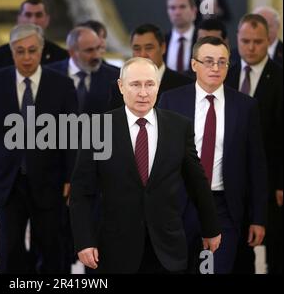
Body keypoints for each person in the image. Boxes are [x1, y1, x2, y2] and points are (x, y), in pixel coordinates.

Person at [69, 57, 221, 274]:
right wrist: (84, 241)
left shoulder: (179, 127)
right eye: (135, 84)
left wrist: (211, 228)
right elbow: (81, 192)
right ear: (121, 86)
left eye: (149, 84)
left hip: (167, 248)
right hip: (113, 249)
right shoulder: (97, 128)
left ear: (158, 85)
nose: (143, 92)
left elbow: (197, 183)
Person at [159, 36, 268, 274]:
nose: (215, 68)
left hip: (223, 207)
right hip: (180, 204)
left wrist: (259, 217)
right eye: (208, 61)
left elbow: (256, 165)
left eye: (222, 62)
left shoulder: (245, 106)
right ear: (194, 64)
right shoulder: (170, 101)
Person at [0, 24, 77, 273]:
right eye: (20, 51)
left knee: (50, 249)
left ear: (42, 51)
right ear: (12, 52)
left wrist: (70, 177)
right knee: (9, 249)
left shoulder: (62, 85)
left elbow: (72, 136)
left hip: (50, 181)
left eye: (32, 50)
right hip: (8, 183)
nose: (26, 57)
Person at [47, 26, 119, 273]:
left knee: (95, 250)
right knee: (54, 250)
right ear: (72, 51)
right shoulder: (48, 76)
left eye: (99, 48)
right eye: (89, 50)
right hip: (55, 178)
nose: (96, 54)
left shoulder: (115, 78)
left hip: (99, 179)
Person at [225, 14, 283, 274]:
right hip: (231, 181)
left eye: (257, 42)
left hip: (270, 180)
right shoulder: (226, 74)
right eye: (245, 40)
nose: (250, 47)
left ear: (269, 40)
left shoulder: (280, 77)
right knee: (236, 250)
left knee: (276, 249)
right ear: (236, 39)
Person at [111, 23, 193, 108]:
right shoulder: (119, 87)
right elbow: (110, 118)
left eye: (149, 48)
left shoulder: (184, 85)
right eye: (137, 49)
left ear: (163, 48)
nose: (142, 55)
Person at [0, 0, 68, 73]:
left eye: (38, 15)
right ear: (19, 19)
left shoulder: (60, 56)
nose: (33, 21)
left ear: (47, 20)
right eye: (28, 15)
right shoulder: (0, 55)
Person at [164, 0, 198, 73]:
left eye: (182, 7)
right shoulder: (162, 41)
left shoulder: (202, 40)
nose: (177, 12)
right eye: (172, 8)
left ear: (194, 10)